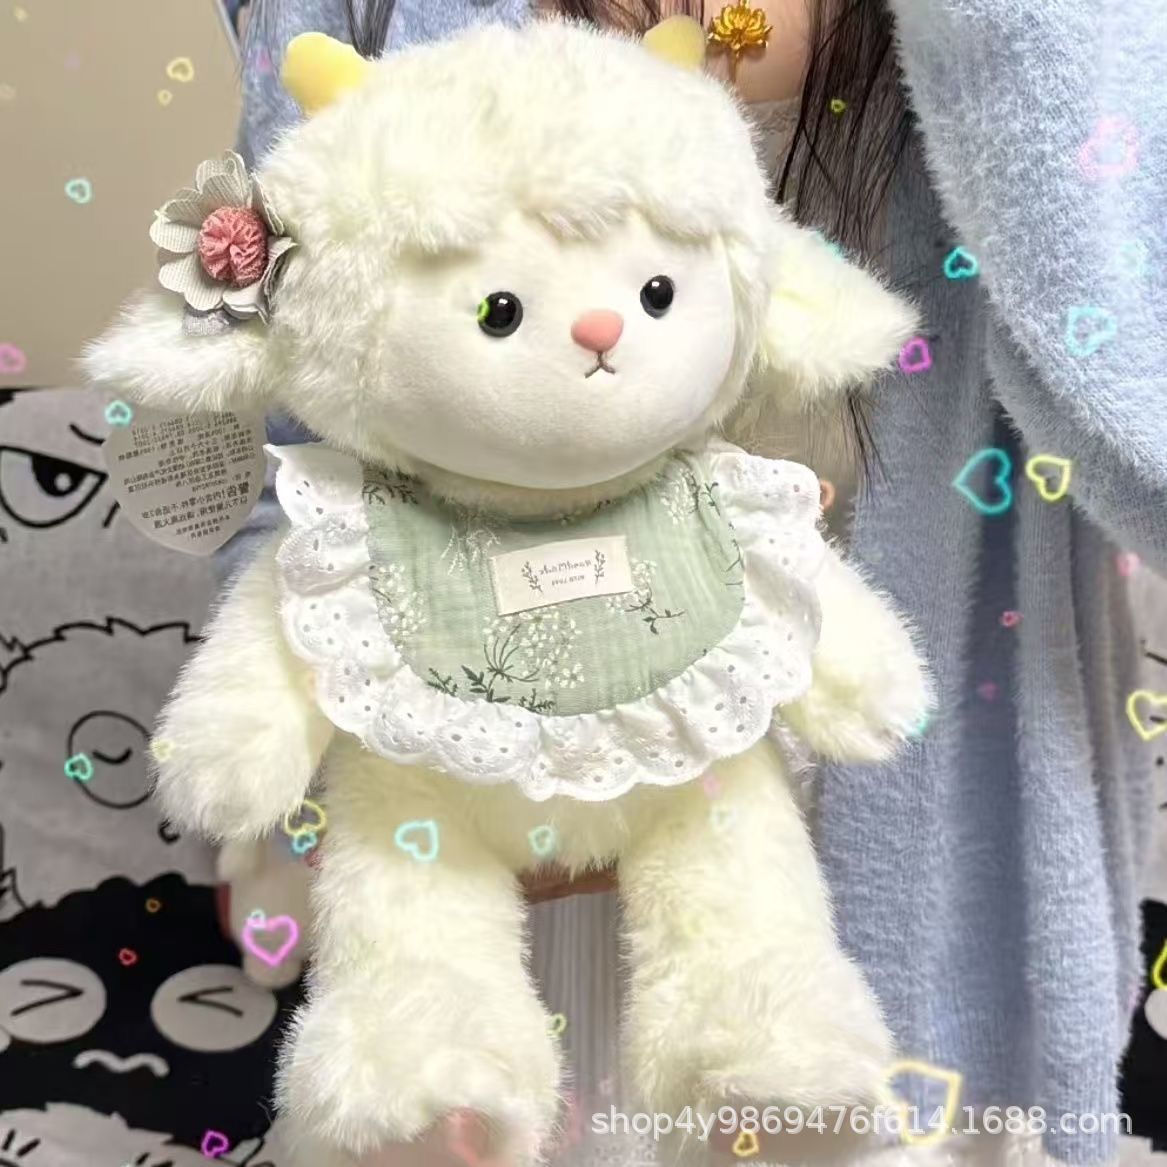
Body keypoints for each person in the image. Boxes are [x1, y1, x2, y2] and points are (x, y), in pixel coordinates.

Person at [221, 1, 1167, 1164]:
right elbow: (290, 444)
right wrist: (310, 786)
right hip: (489, 836)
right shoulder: (347, 23)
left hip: (930, 846)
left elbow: (1138, 412)